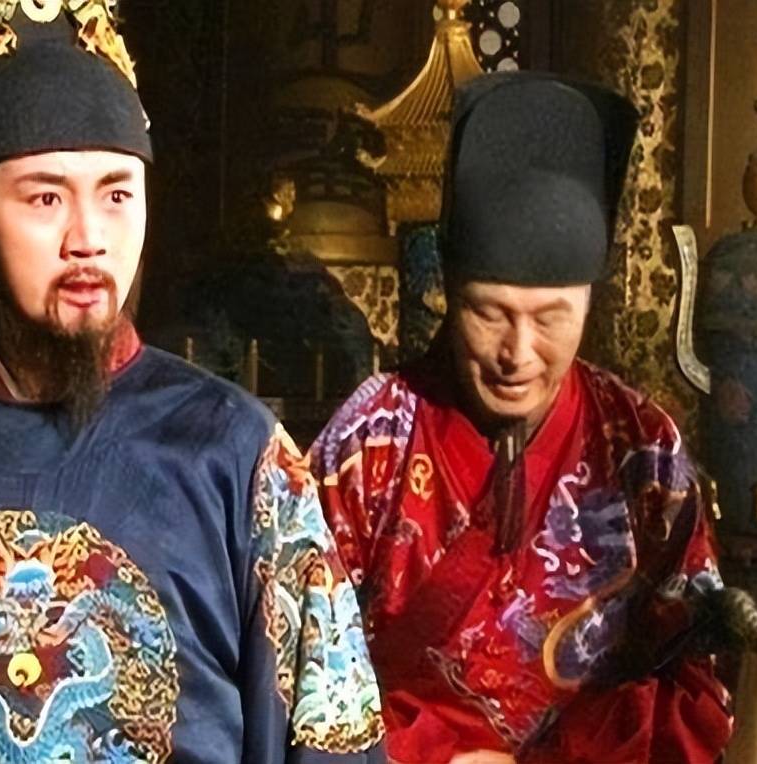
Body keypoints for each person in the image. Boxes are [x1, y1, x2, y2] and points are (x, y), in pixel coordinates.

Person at [0, 2, 384, 761]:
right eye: (45, 198)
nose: (88, 239)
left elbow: (331, 736)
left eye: (117, 194)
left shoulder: (239, 458)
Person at [311, 72, 733, 763]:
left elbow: (698, 680)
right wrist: (431, 754)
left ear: (589, 303)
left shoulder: (641, 448)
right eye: (489, 313)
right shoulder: (368, 442)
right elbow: (299, 667)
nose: (518, 353)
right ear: (450, 292)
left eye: (551, 318)